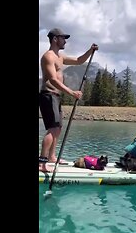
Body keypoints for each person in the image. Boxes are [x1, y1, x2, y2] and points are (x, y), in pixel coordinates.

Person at [39, 28, 98, 172]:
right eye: (63, 38)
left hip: (56, 96)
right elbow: (52, 79)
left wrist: (90, 51)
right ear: (54, 39)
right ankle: (41, 163)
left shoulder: (60, 56)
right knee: (52, 129)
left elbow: (78, 60)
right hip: (48, 95)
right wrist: (72, 92)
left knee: (58, 129)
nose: (65, 41)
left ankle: (52, 157)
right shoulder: (48, 57)